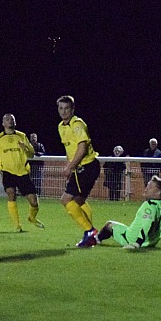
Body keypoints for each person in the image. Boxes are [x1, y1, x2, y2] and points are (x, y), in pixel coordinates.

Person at [0, 113, 44, 232]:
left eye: (12, 119)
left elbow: (31, 154)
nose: (10, 121)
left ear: (15, 122)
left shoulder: (22, 136)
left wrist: (25, 148)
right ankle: (17, 225)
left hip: (22, 172)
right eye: (7, 119)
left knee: (34, 202)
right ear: (3, 123)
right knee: (11, 194)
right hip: (7, 172)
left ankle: (32, 218)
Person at [56, 95, 101, 248]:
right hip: (80, 168)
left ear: (72, 109)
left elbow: (81, 149)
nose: (63, 111)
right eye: (60, 108)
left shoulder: (77, 124)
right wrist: (70, 167)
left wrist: (70, 167)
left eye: (66, 108)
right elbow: (70, 150)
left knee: (66, 200)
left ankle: (90, 231)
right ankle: (92, 235)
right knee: (79, 202)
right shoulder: (61, 126)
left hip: (87, 167)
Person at [97, 175, 161, 249]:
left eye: (150, 187)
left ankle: (95, 240)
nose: (146, 188)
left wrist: (137, 243)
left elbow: (146, 224)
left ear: (158, 192)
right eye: (147, 185)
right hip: (151, 243)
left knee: (109, 225)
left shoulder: (148, 205)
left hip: (132, 239)